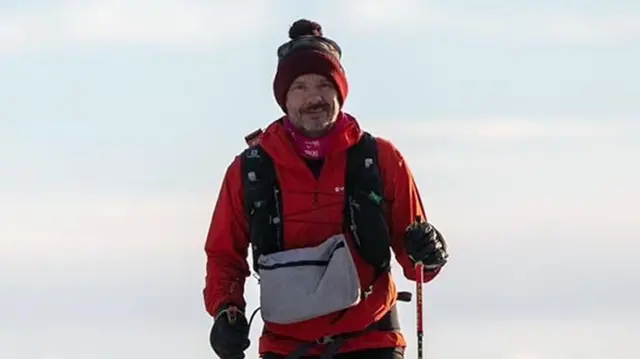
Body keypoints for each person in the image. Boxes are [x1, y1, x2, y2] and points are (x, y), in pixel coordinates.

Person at [203, 19, 449, 359]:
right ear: (284, 99)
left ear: (340, 92)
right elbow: (223, 254)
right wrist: (226, 310)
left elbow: (419, 263)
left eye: (323, 85)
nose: (313, 98)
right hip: (287, 346)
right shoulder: (250, 170)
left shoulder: (381, 159)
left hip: (371, 340)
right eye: (300, 87)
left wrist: (429, 250)